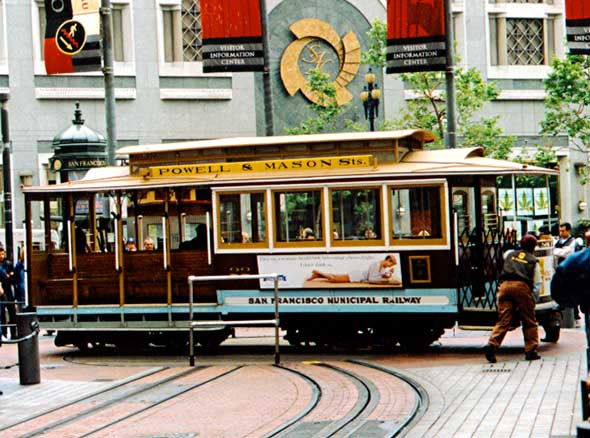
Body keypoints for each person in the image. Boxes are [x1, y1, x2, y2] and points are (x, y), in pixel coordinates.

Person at [484, 234, 541, 363]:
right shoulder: (533, 260)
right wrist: (532, 301)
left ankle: (492, 345)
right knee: (529, 320)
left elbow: (505, 256)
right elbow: (537, 284)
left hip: (504, 287)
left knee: (504, 319)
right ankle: (531, 350)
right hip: (522, 288)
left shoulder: (509, 254)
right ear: (533, 247)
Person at [306, 255, 401, 285]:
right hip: (357, 276)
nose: (389, 266)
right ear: (388, 260)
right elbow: (371, 279)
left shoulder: (383, 267)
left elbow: (383, 275)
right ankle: (318, 272)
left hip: (358, 276)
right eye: (390, 264)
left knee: (335, 277)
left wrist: (389, 273)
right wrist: (385, 278)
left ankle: (318, 275)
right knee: (334, 279)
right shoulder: (375, 265)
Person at [0, 247, 16, 340]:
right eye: (0, 254)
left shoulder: (8, 264)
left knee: (11, 312)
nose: (2, 256)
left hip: (8, 291)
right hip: (2, 291)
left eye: (3, 254)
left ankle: (13, 333)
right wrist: (7, 275)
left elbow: (12, 279)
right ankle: (4, 333)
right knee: (2, 314)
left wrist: (7, 276)